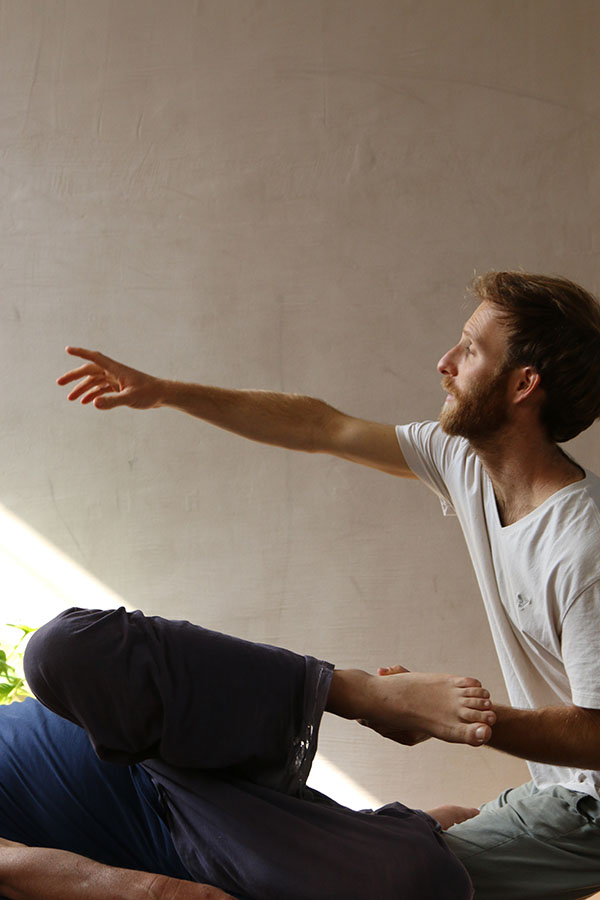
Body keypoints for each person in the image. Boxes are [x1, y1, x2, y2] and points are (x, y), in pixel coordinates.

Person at [58, 270, 600, 899]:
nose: (445, 362)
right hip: (557, 787)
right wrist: (167, 393)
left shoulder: (582, 546)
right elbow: (322, 426)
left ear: (523, 385)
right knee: (376, 847)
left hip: (589, 809)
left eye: (471, 350)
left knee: (380, 880)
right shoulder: (464, 462)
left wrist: (453, 719)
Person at [0, 606, 495, 900]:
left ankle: (362, 694)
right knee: (424, 879)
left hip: (174, 738)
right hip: (188, 835)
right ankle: (389, 829)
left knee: (58, 651)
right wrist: (162, 892)